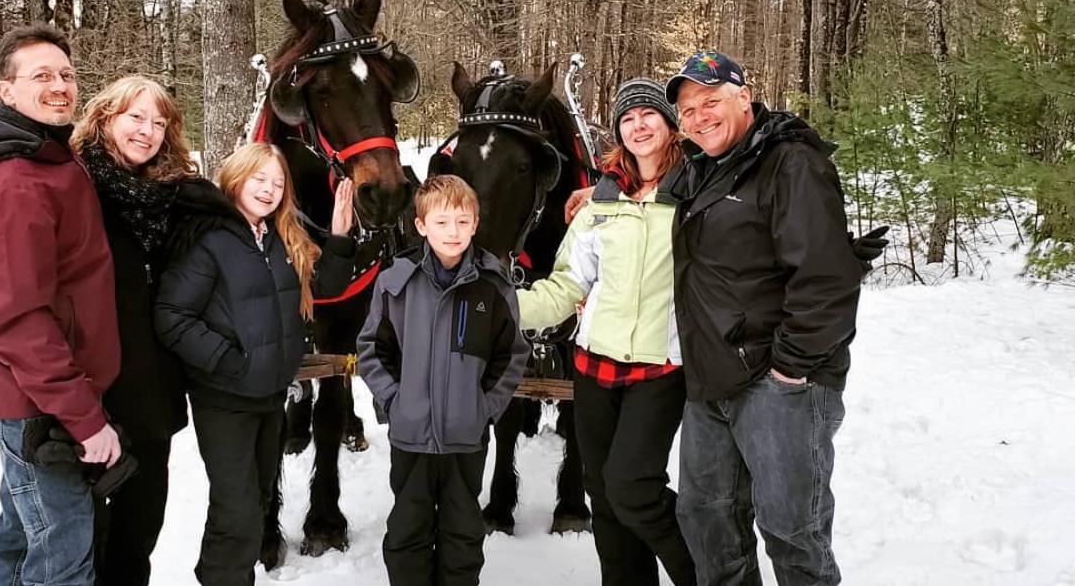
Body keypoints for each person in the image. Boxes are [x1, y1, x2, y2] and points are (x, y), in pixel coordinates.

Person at [0, 75, 226, 585]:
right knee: (68, 541)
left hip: (151, 394)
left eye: (158, 122)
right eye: (135, 117)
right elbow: (16, 267)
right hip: (82, 396)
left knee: (137, 534)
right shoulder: (72, 184)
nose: (147, 131)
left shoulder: (182, 199)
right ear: (105, 117)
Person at [666, 51, 863, 586]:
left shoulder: (790, 162)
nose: (699, 116)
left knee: (792, 532)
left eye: (711, 101)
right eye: (687, 110)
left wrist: (792, 368)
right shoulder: (703, 170)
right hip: (713, 380)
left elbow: (825, 276)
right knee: (707, 520)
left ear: (743, 96)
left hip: (779, 384)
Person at [0, 23, 120, 586]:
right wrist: (85, 421)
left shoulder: (47, 158)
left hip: (37, 393)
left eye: (66, 74)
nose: (60, 85)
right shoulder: (13, 183)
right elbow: (18, 320)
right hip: (38, 402)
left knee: (21, 535)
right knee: (61, 553)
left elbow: (15, 286)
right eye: (41, 75)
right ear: (5, 90)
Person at [515, 78, 697, 586]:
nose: (639, 125)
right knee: (603, 493)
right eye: (628, 118)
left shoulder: (697, 191)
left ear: (670, 124)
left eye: (649, 115)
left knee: (635, 487)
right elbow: (566, 285)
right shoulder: (601, 203)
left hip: (661, 367)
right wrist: (501, 305)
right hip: (594, 366)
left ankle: (707, 574)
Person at [153, 142, 356, 586]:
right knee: (237, 509)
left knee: (257, 502)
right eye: (259, 178)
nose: (268, 189)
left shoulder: (280, 238)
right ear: (236, 178)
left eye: (277, 182)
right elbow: (172, 317)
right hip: (224, 399)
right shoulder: (208, 237)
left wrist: (339, 237)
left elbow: (323, 288)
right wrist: (231, 362)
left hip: (268, 397)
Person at [357, 174, 529, 586]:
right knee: (407, 531)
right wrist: (395, 401)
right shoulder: (396, 282)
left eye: (462, 221)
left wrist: (483, 407)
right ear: (421, 225)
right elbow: (372, 349)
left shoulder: (492, 283)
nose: (453, 231)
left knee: (463, 532)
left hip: (465, 437)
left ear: (475, 223)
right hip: (411, 434)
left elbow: (512, 354)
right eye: (442, 222)